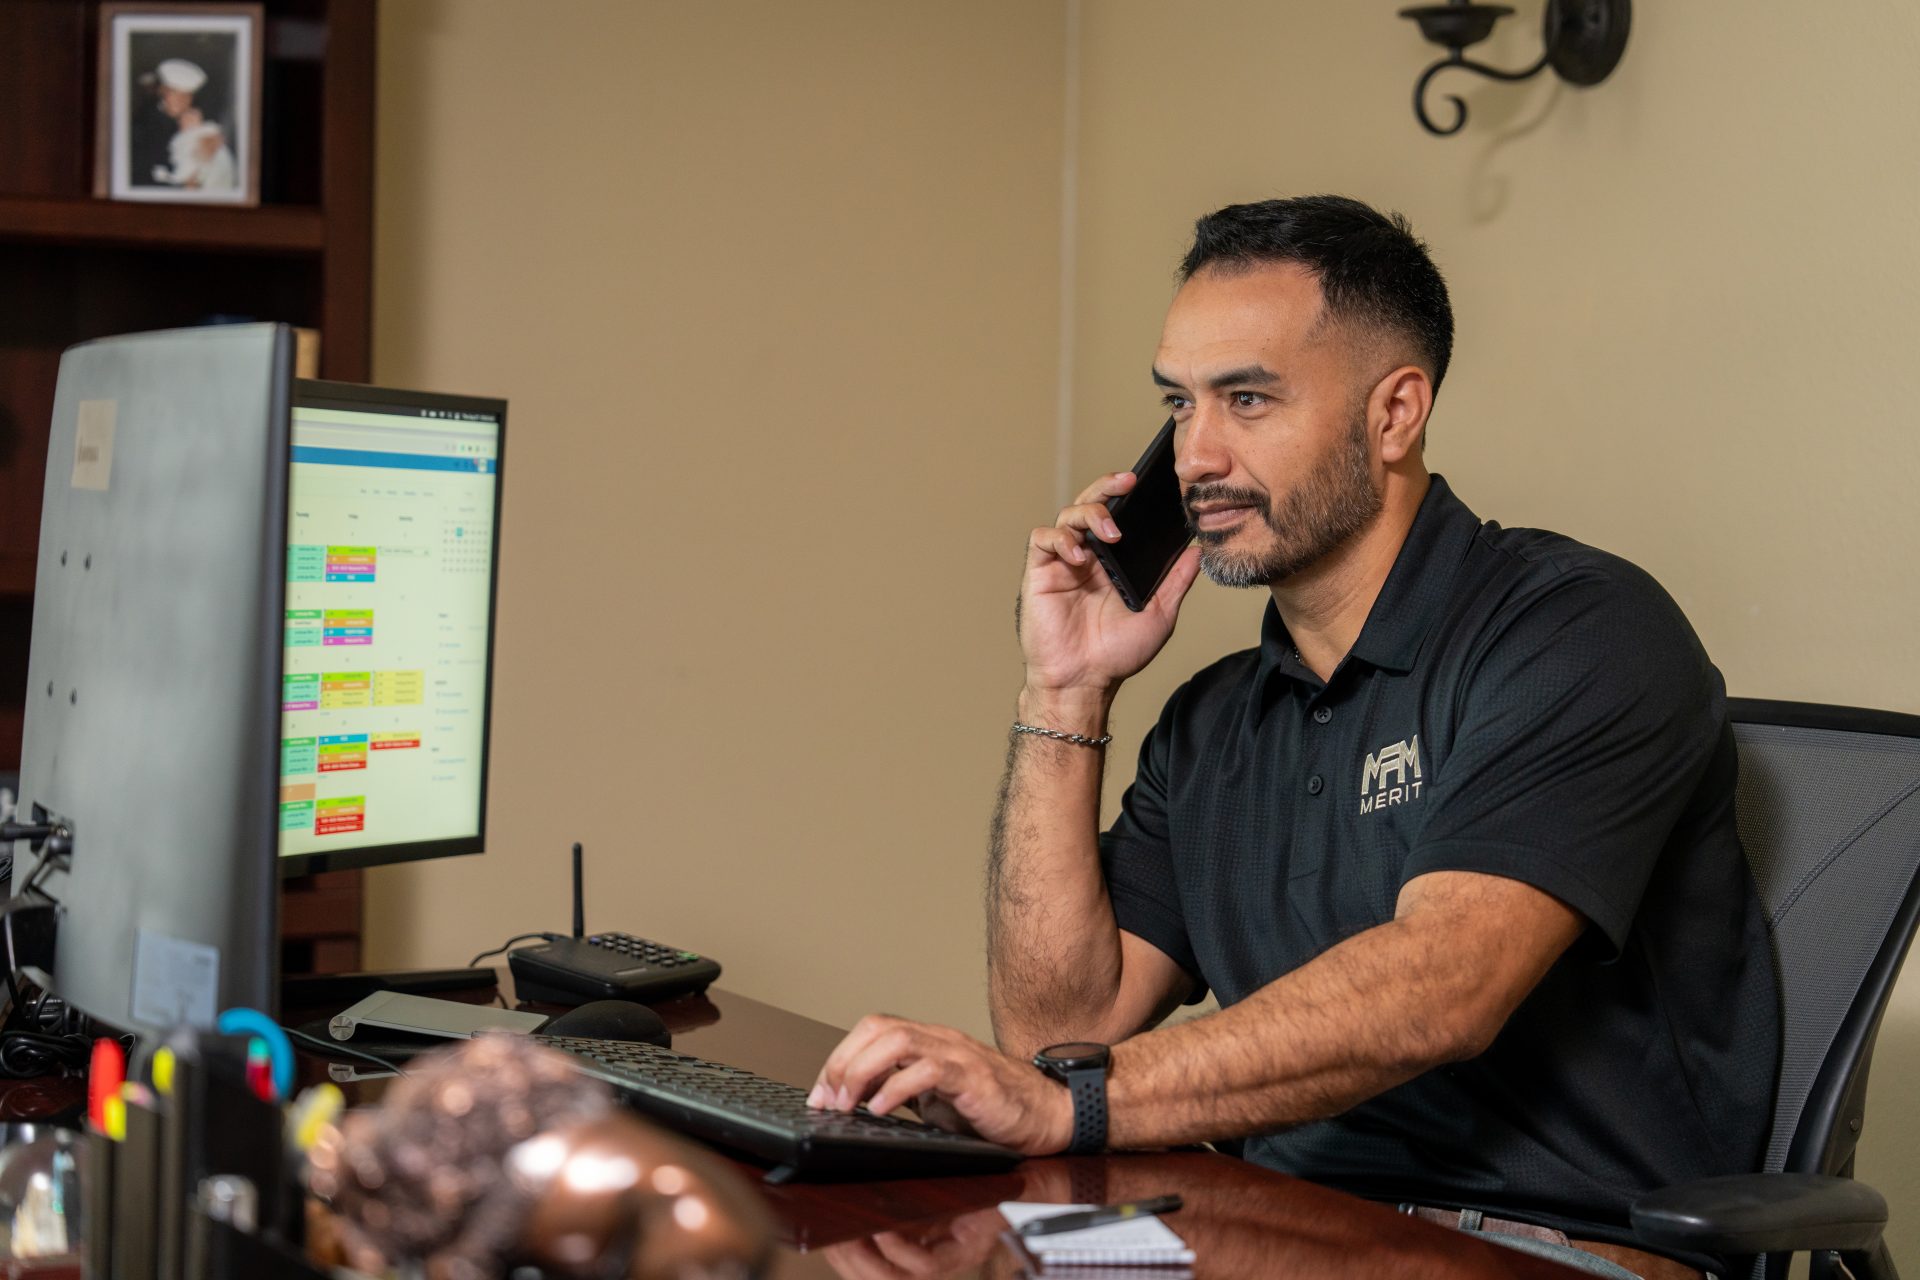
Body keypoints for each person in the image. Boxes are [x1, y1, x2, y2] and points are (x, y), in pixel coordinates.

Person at [808, 196, 1780, 1279]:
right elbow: (1059, 1031)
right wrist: (1065, 688)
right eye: (1179, 403)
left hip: (1536, 1244)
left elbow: (1444, 988)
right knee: (944, 1254)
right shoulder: (1215, 720)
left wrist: (1075, 1103)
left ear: (1394, 413)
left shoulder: (1576, 631)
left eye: (1248, 399)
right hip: (1263, 1225)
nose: (1195, 455)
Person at [148, 58, 237, 192]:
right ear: (162, 91)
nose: (181, 100)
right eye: (175, 93)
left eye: (187, 95)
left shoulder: (197, 121)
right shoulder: (148, 124)